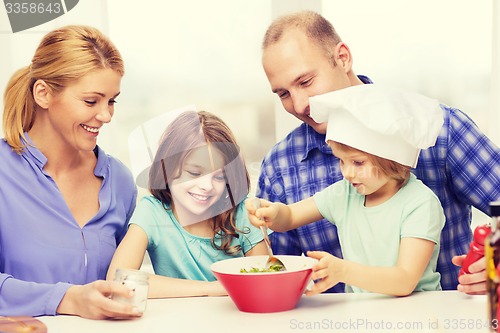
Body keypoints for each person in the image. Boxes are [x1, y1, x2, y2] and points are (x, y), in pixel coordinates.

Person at [257, 10, 500, 294]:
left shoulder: (440, 130)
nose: (299, 106)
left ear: (343, 58)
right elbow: (273, 271)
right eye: (283, 94)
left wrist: (496, 264)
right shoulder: (281, 164)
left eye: (306, 82)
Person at [248, 84, 446, 295]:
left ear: (392, 159)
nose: (347, 173)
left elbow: (404, 281)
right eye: (341, 161)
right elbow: (290, 216)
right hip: (361, 315)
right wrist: (273, 213)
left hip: (416, 316)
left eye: (358, 163)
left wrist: (342, 271)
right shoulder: (345, 194)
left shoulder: (420, 203)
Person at [0, 25, 139, 319]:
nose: (105, 115)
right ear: (43, 94)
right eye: (91, 101)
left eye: (111, 101)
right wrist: (67, 299)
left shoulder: (120, 182)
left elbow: (125, 280)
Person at [107, 110, 267, 297]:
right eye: (194, 173)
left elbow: (264, 281)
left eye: (219, 176)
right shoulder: (152, 211)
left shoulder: (242, 212)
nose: (207, 186)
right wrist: (213, 288)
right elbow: (117, 281)